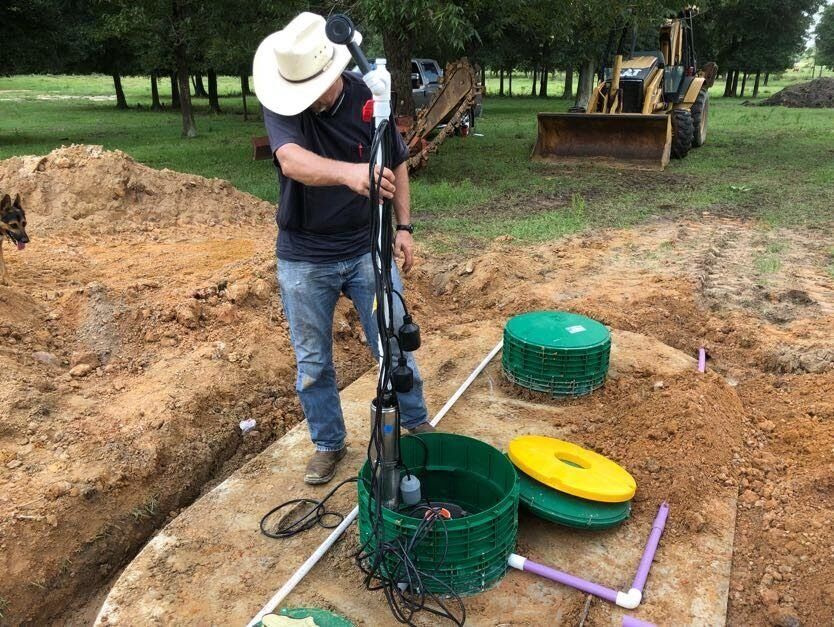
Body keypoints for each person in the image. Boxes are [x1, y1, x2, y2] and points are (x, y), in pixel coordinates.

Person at [253, 12, 434, 485]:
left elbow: (397, 160)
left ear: (333, 72)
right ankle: (329, 444)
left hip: (364, 250)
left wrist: (405, 227)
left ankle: (416, 426)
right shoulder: (282, 101)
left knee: (392, 343)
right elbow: (290, 161)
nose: (305, 98)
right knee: (312, 362)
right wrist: (350, 174)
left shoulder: (367, 96)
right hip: (303, 256)